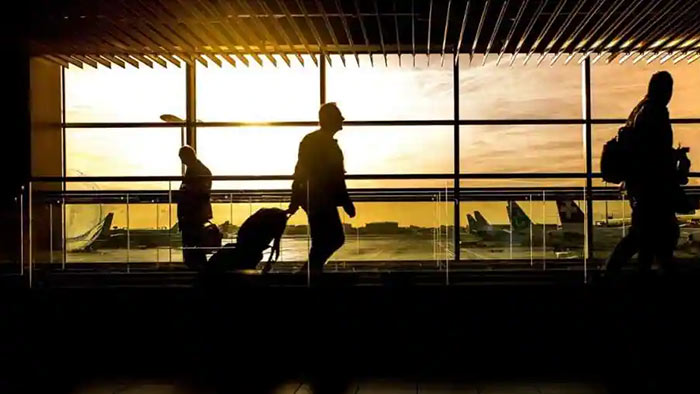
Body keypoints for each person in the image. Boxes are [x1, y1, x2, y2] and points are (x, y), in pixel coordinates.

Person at [606, 72, 680, 274]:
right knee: (651, 234)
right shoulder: (655, 112)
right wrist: (672, 160)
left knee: (644, 235)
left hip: (640, 185)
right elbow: (654, 152)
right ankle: (615, 274)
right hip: (652, 186)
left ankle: (624, 275)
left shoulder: (639, 111)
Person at [288, 102, 356, 276]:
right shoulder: (323, 143)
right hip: (320, 200)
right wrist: (346, 202)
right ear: (330, 119)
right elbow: (335, 178)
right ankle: (310, 273)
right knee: (333, 238)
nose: (342, 119)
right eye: (339, 116)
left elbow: (300, 171)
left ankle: (311, 273)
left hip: (315, 199)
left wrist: (296, 199)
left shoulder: (313, 141)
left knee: (323, 240)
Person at [177, 145, 213, 269]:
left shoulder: (198, 171)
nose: (182, 161)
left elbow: (200, 192)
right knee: (195, 248)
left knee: (193, 246)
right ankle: (197, 271)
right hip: (194, 215)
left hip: (193, 215)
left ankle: (196, 272)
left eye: (182, 158)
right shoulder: (199, 170)